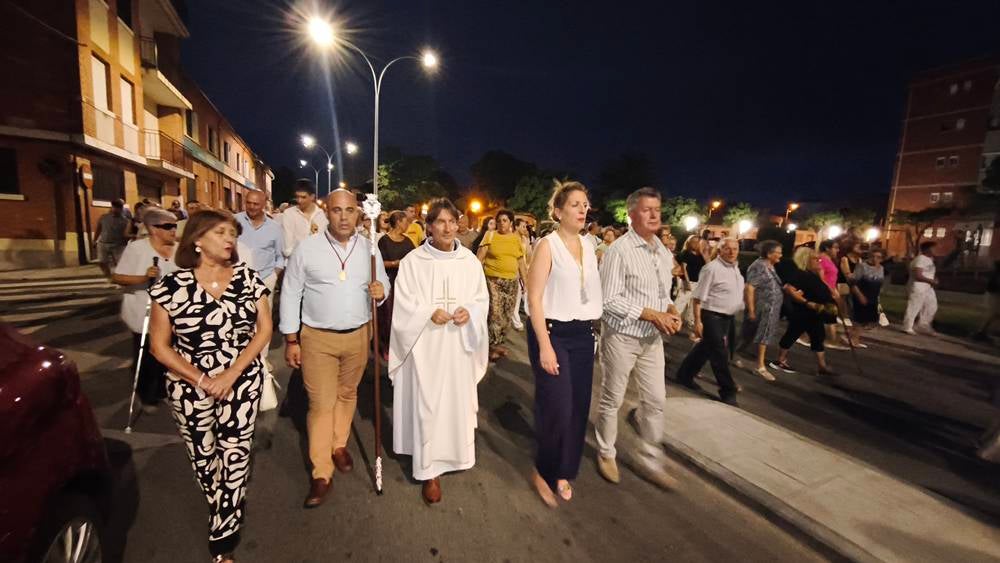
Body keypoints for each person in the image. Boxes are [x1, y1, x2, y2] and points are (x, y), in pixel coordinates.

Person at [147, 210, 271, 563]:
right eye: (220, 232)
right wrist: (201, 379)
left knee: (234, 457)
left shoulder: (248, 278)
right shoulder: (170, 286)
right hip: (188, 387)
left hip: (241, 382)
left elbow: (264, 329)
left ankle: (222, 545)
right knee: (205, 461)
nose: (229, 239)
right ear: (197, 240)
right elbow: (159, 346)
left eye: (232, 232)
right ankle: (228, 507)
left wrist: (231, 375)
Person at [280, 189, 389, 508]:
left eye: (350, 210)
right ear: (326, 212)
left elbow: (383, 284)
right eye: (338, 210)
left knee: (347, 393)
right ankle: (321, 471)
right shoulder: (307, 248)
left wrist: (381, 291)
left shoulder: (369, 249)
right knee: (321, 403)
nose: (344, 217)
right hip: (317, 337)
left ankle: (339, 444)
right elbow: (290, 292)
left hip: (358, 334)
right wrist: (290, 338)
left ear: (359, 214)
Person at [389, 198, 489, 504]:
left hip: (458, 347)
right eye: (440, 222)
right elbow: (403, 303)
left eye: (452, 221)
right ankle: (428, 468)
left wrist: (469, 312)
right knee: (428, 405)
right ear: (429, 227)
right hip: (425, 347)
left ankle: (457, 455)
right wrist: (427, 313)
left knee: (454, 404)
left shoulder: (470, 262)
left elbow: (480, 298)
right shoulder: (413, 262)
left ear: (458, 223)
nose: (447, 228)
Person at [594, 187, 682, 486]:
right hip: (622, 337)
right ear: (632, 215)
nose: (655, 214)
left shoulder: (662, 249)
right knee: (612, 398)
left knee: (656, 400)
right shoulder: (619, 251)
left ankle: (650, 458)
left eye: (657, 208)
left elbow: (662, 292)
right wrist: (653, 315)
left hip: (651, 340)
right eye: (647, 209)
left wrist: (670, 310)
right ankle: (606, 452)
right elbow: (607, 301)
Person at [525, 181, 603, 507]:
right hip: (553, 333)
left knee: (577, 408)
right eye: (575, 204)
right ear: (558, 211)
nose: (583, 209)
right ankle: (543, 471)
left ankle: (562, 471)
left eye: (585, 204)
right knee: (558, 406)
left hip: (584, 335)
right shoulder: (548, 245)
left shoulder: (590, 245)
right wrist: (545, 345)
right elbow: (534, 298)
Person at [112, 207, 179, 412]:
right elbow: (119, 277)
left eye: (175, 226)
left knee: (169, 355)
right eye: (168, 226)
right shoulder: (137, 248)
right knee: (148, 357)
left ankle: (163, 391)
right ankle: (147, 396)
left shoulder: (178, 249)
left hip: (173, 313)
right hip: (144, 311)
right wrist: (143, 277)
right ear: (152, 228)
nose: (173, 231)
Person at [673, 238, 745, 405]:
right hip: (712, 315)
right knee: (719, 352)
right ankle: (728, 389)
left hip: (727, 317)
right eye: (727, 249)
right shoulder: (711, 269)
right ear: (719, 251)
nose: (732, 252)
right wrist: (698, 321)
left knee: (705, 348)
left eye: (735, 248)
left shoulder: (735, 269)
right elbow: (698, 298)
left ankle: (684, 375)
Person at [770, 247, 838, 375]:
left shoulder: (813, 274)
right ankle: (780, 360)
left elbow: (822, 287)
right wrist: (807, 303)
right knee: (793, 334)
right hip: (803, 312)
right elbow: (789, 289)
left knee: (818, 336)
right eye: (815, 259)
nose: (818, 261)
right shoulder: (801, 274)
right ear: (806, 260)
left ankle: (822, 366)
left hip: (815, 313)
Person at [477, 209, 528, 361]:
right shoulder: (490, 235)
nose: (501, 223)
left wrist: (526, 283)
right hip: (493, 280)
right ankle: (490, 346)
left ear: (511, 223)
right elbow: (479, 258)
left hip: (511, 282)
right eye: (499, 221)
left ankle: (498, 343)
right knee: (495, 314)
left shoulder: (516, 239)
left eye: (504, 220)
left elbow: (521, 262)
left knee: (506, 315)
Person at [741, 240, 784, 381]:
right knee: (762, 335)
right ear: (769, 253)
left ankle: (732, 355)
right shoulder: (759, 266)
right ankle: (760, 366)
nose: (781, 255)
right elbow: (750, 287)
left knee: (748, 334)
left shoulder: (769, 265)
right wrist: (751, 309)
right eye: (778, 252)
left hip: (770, 308)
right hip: (763, 308)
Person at [377, 211, 417, 361]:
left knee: (403, 315)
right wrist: (395, 263)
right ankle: (385, 346)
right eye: (406, 221)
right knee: (388, 315)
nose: (408, 225)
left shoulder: (407, 241)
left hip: (404, 283)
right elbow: (379, 263)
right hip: (389, 281)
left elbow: (415, 259)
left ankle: (400, 345)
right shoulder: (384, 241)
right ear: (399, 222)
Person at [235, 191, 285, 298]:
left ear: (263, 204)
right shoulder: (234, 221)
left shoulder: (275, 228)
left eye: (256, 204)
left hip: (265, 279)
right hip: (238, 281)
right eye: (248, 203)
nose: (251, 207)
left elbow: (280, 256)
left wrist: (273, 277)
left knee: (264, 314)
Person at [282, 179, 329, 258]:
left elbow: (324, 244)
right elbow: (287, 248)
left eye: (303, 197)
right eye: (297, 197)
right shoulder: (289, 214)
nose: (299, 200)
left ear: (312, 197)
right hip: (295, 262)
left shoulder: (322, 216)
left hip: (317, 262)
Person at [902, 241, 940, 335]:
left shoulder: (929, 259)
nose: (936, 250)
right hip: (918, 286)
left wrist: (933, 279)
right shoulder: (920, 259)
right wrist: (931, 281)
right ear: (927, 249)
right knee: (914, 306)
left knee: (932, 306)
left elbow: (928, 272)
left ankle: (923, 325)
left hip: (928, 287)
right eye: (934, 248)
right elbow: (918, 275)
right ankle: (907, 326)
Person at [675, 235, 708, 340]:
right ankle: (672, 324)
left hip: (698, 284)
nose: (695, 244)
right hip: (687, 282)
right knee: (679, 305)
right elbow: (684, 268)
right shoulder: (685, 253)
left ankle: (692, 331)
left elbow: (708, 266)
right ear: (689, 243)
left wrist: (703, 253)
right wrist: (687, 282)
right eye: (693, 242)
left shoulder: (700, 255)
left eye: (697, 242)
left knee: (693, 310)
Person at [850, 249, 885, 328]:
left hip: (873, 299)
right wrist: (860, 296)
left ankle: (855, 338)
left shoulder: (881, 268)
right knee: (858, 322)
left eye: (878, 257)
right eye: (873, 256)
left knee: (869, 323)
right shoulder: (862, 266)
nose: (875, 259)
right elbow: (853, 283)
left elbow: (880, 283)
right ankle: (853, 339)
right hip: (861, 296)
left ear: (882, 259)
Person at [95, 198, 130, 277]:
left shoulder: (125, 220)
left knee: (120, 263)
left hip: (118, 245)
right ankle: (109, 278)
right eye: (115, 207)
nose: (117, 209)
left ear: (121, 208)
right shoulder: (104, 217)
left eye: (119, 207)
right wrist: (95, 240)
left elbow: (126, 233)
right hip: (103, 243)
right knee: (102, 262)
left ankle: (119, 278)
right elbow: (98, 228)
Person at [510, 218, 534, 332]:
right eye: (523, 226)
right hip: (515, 272)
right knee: (517, 298)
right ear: (516, 227)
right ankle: (517, 322)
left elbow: (529, 255)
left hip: (525, 270)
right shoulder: (511, 239)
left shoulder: (525, 239)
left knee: (527, 296)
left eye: (525, 227)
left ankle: (533, 318)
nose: (525, 229)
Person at [973, 260, 1000, 341]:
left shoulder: (997, 270)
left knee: (994, 314)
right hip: (995, 293)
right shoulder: (997, 272)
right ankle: (980, 332)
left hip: (994, 292)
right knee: (994, 313)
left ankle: (981, 332)